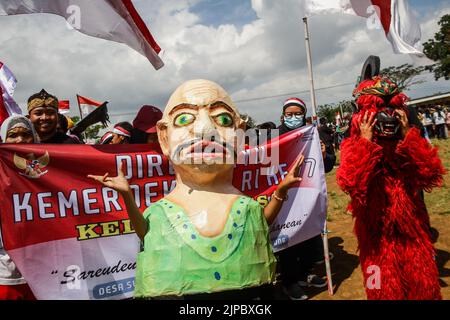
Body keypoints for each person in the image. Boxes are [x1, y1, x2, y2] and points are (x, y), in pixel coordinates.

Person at [88, 79, 304, 299]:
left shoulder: (246, 206)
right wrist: (126, 196)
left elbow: (262, 223)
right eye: (184, 119)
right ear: (164, 136)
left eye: (223, 119)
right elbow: (146, 233)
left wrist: (281, 191)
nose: (205, 130)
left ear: (239, 135)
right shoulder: (161, 211)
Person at [337, 75, 444, 300]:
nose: (387, 115)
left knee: (425, 291)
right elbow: (352, 184)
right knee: (381, 292)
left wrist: (409, 138)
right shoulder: (353, 145)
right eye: (379, 109)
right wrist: (366, 143)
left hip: (414, 237)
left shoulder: (407, 143)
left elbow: (431, 174)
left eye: (392, 108)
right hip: (376, 244)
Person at [276, 98, 336, 300]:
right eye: (289, 114)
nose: (294, 117)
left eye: (297, 113)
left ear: (304, 114)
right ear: (283, 115)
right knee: (289, 240)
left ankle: (306, 273)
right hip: (286, 197)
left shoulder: (314, 133)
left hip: (308, 195)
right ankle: (290, 282)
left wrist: (324, 153)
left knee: (310, 237)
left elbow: (327, 166)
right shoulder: (276, 136)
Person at [0, 115, 37, 300]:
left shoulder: (48, 173)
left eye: (26, 134)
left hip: (44, 272)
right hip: (7, 274)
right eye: (13, 135)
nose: (20, 140)